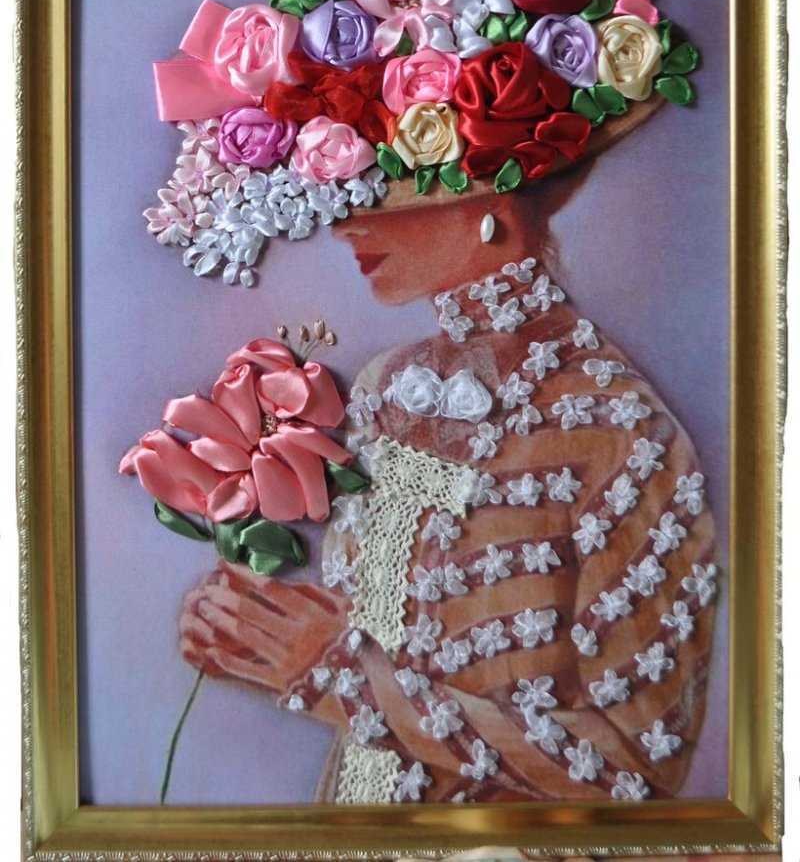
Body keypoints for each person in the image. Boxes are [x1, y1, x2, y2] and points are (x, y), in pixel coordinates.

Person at [179, 95, 717, 804]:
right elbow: (392, 629)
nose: (347, 223)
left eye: (395, 189)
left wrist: (338, 674)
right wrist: (262, 631)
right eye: (353, 190)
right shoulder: (384, 388)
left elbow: (639, 773)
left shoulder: (622, 431)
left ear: (495, 195)